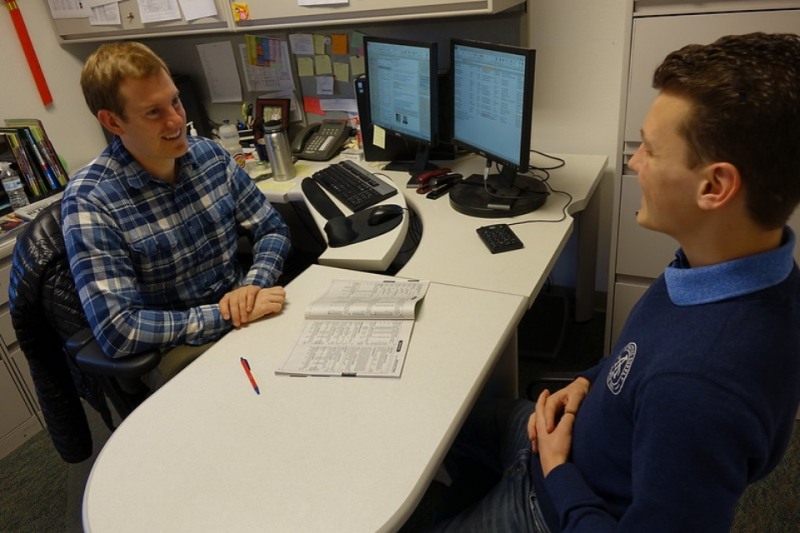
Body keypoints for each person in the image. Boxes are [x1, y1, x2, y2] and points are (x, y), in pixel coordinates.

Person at [430, 32, 800, 531]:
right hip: (572, 433)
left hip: (559, 503)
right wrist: (586, 381)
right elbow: (642, 353)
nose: (633, 162)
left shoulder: (700, 389)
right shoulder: (730, 270)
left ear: (714, 187)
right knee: (432, 412)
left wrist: (558, 473)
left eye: (650, 149)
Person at [62, 42, 291, 386]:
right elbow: (118, 330)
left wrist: (253, 285)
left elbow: (272, 229)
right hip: (175, 347)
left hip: (245, 312)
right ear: (112, 121)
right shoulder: (91, 201)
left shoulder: (210, 156)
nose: (176, 121)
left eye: (175, 101)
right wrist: (226, 315)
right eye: (153, 112)